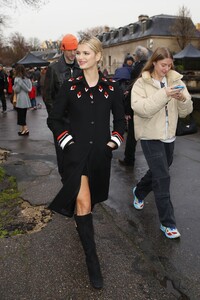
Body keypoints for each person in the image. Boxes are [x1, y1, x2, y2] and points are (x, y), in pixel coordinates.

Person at [47, 35, 125, 289]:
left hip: (100, 157)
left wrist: (112, 143)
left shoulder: (112, 88)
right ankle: (92, 261)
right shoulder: (70, 86)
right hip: (75, 155)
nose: (80, 57)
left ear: (98, 56)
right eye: (78, 53)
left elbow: (121, 122)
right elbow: (55, 119)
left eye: (85, 54)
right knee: (83, 201)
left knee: (90, 202)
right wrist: (67, 142)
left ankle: (85, 236)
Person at [131, 47, 193, 239]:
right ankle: (168, 224)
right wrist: (165, 94)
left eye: (169, 65)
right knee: (163, 177)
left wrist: (182, 99)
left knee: (160, 171)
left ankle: (139, 191)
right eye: (163, 64)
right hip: (150, 136)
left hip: (169, 136)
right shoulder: (142, 83)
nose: (167, 68)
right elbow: (142, 109)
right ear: (154, 62)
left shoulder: (176, 80)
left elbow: (186, 111)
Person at [44, 34, 81, 179]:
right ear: (63, 49)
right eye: (70, 50)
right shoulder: (53, 69)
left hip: (79, 121)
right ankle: (66, 185)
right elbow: (48, 96)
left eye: (75, 50)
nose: (73, 53)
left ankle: (77, 186)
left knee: (78, 155)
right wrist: (56, 118)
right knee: (63, 156)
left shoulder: (81, 67)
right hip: (61, 122)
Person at [118, 46, 149, 167]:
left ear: (138, 56)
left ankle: (129, 159)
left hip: (136, 104)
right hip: (147, 103)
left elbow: (133, 89)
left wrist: (127, 109)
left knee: (132, 134)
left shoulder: (137, 68)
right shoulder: (149, 67)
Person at [13, 65, 32, 136]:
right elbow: (29, 88)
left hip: (20, 98)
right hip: (26, 98)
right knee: (23, 114)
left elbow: (17, 89)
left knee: (21, 115)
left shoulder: (17, 79)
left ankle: (26, 129)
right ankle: (22, 129)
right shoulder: (27, 78)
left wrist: (13, 87)